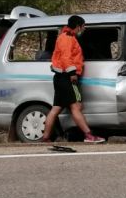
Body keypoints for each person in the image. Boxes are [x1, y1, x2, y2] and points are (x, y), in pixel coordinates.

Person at [41, 15, 106, 144]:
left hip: (61, 78)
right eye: (83, 26)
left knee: (56, 109)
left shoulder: (67, 37)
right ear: (78, 26)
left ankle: (45, 138)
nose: (84, 28)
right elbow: (66, 58)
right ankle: (88, 135)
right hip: (66, 78)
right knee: (76, 106)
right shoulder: (66, 38)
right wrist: (72, 73)